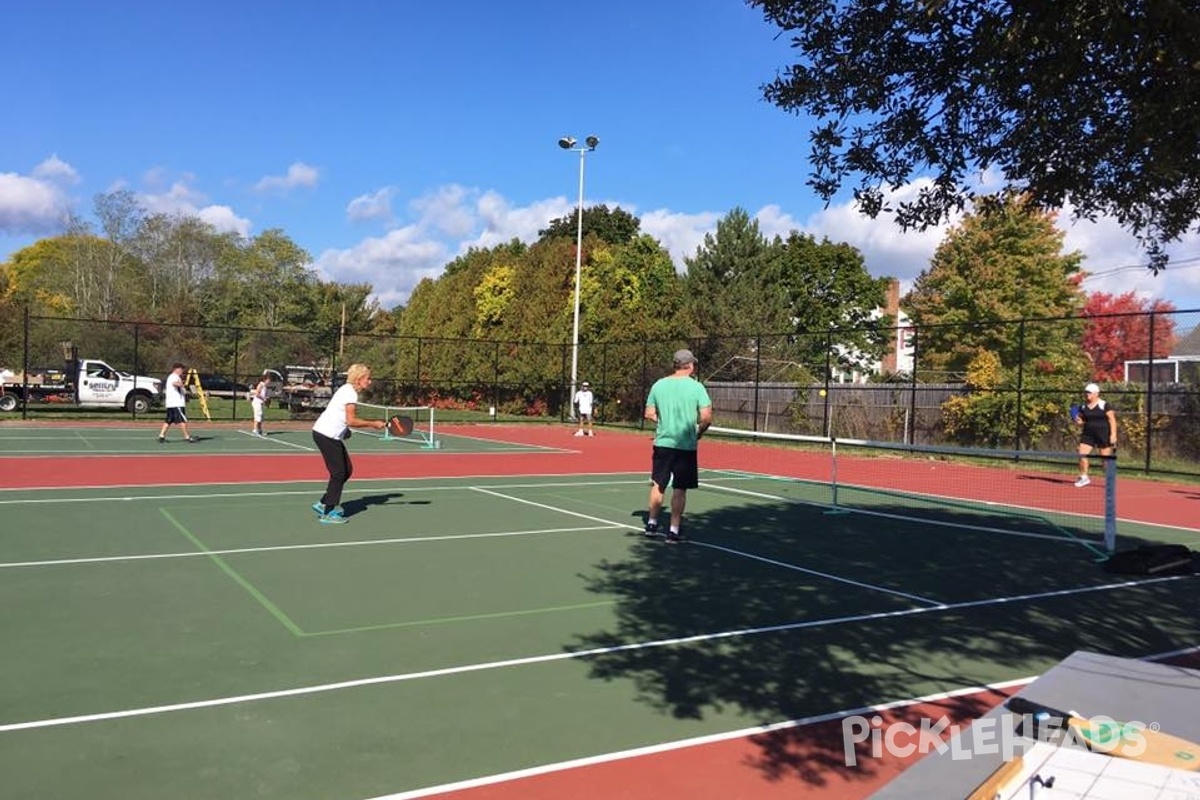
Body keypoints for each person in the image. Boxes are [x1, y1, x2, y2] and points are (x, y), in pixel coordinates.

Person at [643, 349, 713, 543]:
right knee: (680, 488)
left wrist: (664, 422)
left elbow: (649, 413)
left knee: (659, 483)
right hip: (685, 445)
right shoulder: (697, 387)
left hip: (663, 443)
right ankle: (673, 531)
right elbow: (706, 418)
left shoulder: (659, 385)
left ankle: (651, 523)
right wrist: (698, 432)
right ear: (690, 365)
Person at [310, 363, 387, 524]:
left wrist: (345, 431)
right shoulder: (350, 393)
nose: (370, 381)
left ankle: (324, 502)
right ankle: (329, 512)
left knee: (347, 470)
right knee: (338, 473)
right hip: (326, 435)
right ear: (359, 379)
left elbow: (338, 415)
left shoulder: (346, 389)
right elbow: (351, 420)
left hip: (327, 433)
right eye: (368, 378)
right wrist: (373, 424)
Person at [1075, 382, 1117, 487]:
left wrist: (1113, 435)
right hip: (1088, 434)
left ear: (1096, 393)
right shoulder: (1083, 407)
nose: (1086, 394)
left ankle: (1109, 479)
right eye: (1086, 392)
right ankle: (1084, 477)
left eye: (1089, 392)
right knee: (1081, 454)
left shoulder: (1104, 405)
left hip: (1103, 434)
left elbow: (1112, 419)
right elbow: (1083, 419)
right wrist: (1079, 421)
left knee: (1105, 459)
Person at [158, 363, 196, 443]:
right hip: (176, 404)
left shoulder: (174, 377)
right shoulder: (173, 376)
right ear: (177, 369)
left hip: (172, 403)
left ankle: (161, 435)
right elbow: (174, 383)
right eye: (181, 369)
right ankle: (187, 436)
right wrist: (181, 384)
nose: (182, 371)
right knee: (182, 420)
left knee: (169, 420)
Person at [250, 370, 271, 437]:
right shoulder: (261, 384)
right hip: (257, 403)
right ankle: (255, 430)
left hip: (261, 403)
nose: (269, 381)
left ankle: (260, 430)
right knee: (258, 416)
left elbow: (264, 395)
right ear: (265, 379)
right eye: (268, 380)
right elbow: (257, 394)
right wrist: (263, 398)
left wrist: (266, 399)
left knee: (261, 417)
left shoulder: (265, 387)